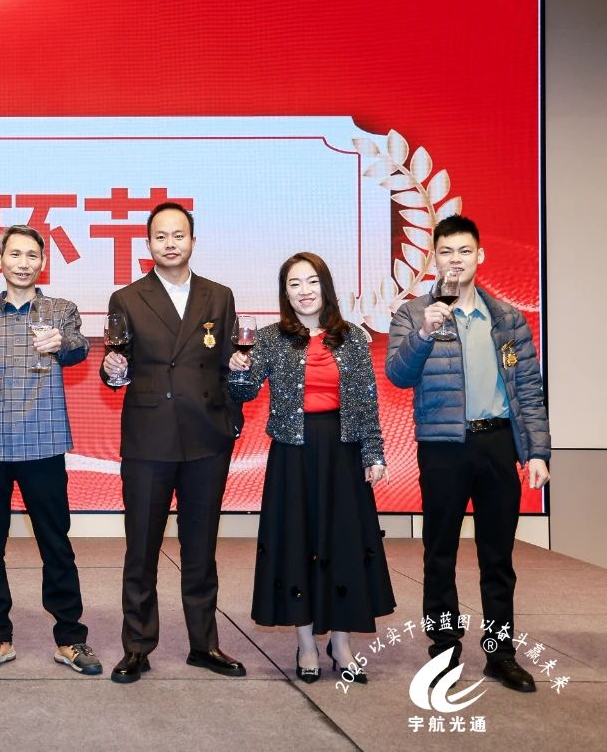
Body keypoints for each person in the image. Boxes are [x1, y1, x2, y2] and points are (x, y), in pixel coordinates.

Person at [386, 215, 550, 693]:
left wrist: (537, 451)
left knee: (498, 556)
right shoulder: (414, 313)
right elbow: (398, 375)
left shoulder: (507, 318)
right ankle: (444, 651)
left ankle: (501, 655)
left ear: (480, 256)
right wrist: (424, 333)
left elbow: (528, 389)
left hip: (496, 444)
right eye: (446, 252)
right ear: (433, 258)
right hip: (443, 447)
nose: (455, 260)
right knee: (439, 552)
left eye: (463, 251)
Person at [229, 252, 395, 684]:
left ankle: (341, 644)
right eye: (294, 284)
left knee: (344, 545)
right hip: (293, 453)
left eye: (311, 282)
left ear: (326, 286)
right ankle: (305, 645)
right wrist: (237, 370)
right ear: (285, 294)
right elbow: (244, 393)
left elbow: (366, 401)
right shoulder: (269, 338)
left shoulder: (352, 337)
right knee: (295, 544)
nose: (304, 291)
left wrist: (374, 453)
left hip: (343, 451)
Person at [100, 201, 245, 683]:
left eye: (178, 235)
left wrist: (233, 412)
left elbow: (227, 364)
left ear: (193, 241)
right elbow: (116, 364)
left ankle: (204, 644)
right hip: (149, 439)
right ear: (148, 244)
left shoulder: (218, 296)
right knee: (141, 549)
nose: (170, 244)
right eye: (160, 236)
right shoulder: (127, 297)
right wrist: (113, 371)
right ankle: (137, 647)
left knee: (201, 548)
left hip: (206, 438)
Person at [0, 225, 101, 675]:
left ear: (42, 262)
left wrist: (62, 343)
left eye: (31, 255)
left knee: (56, 543)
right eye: (14, 254)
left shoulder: (60, 310)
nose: (23, 263)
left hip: (44, 443)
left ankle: (70, 638)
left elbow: (78, 349)